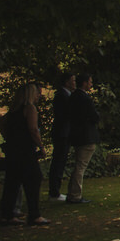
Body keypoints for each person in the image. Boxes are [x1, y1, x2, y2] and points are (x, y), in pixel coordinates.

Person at [0, 83, 51, 226]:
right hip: (25, 151)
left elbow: (1, 123)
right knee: (33, 179)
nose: (39, 95)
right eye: (37, 93)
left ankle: (7, 214)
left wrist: (9, 137)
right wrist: (41, 146)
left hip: (13, 150)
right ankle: (34, 215)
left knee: (12, 182)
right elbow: (33, 129)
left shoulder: (14, 110)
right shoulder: (30, 108)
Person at [66, 73, 100, 205]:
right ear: (85, 83)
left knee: (79, 164)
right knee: (81, 166)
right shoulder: (84, 98)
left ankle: (72, 192)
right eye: (90, 82)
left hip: (77, 135)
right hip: (86, 135)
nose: (91, 84)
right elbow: (94, 116)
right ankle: (75, 194)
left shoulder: (73, 97)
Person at [47, 72, 75, 202]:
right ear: (67, 82)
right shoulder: (62, 96)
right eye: (73, 80)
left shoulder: (65, 95)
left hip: (64, 132)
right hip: (62, 133)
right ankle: (54, 192)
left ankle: (55, 190)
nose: (75, 83)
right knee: (58, 161)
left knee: (60, 161)